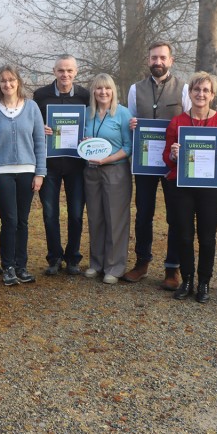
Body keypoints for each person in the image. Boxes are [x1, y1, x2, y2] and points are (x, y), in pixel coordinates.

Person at [124, 41, 191, 289]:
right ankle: (142, 262)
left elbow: (190, 121)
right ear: (148, 60)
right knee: (143, 215)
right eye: (153, 58)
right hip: (144, 163)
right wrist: (131, 125)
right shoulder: (135, 89)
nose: (158, 62)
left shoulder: (183, 89)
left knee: (175, 216)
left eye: (162, 58)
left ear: (171, 60)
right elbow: (130, 119)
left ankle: (172, 268)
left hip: (172, 163)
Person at [164, 72, 217, 303]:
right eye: (197, 90)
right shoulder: (178, 121)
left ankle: (204, 282)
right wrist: (173, 154)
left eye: (206, 90)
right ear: (190, 93)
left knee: (207, 237)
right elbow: (167, 157)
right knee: (184, 235)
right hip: (181, 187)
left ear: (212, 95)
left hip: (210, 189)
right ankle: (186, 279)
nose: (201, 94)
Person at [0, 65, 46, 286]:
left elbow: (39, 142)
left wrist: (40, 173)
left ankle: (21, 266)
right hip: (0, 173)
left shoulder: (32, 108)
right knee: (10, 220)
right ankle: (8, 267)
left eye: (11, 80)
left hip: (27, 172)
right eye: (3, 81)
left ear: (19, 82)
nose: (7, 84)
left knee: (23, 222)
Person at [33, 54, 90, 275]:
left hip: (77, 164)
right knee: (49, 213)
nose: (65, 75)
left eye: (69, 71)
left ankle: (73, 257)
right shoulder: (40, 96)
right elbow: (32, 124)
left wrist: (88, 137)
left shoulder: (85, 96)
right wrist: (41, 130)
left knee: (76, 213)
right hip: (49, 164)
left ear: (76, 72)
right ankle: (54, 257)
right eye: (60, 70)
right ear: (54, 71)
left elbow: (93, 123)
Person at [82, 74, 133, 285]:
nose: (103, 92)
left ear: (113, 91)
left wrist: (108, 159)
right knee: (95, 217)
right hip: (91, 171)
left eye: (107, 89)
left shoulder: (122, 114)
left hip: (115, 170)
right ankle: (96, 263)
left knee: (115, 219)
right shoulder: (88, 113)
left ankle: (115, 266)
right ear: (93, 91)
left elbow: (128, 147)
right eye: (99, 88)